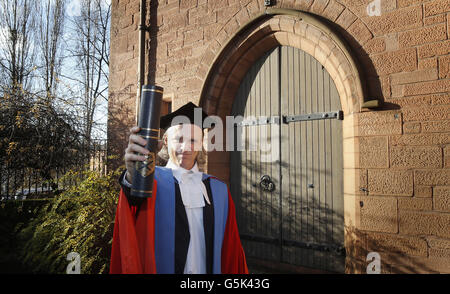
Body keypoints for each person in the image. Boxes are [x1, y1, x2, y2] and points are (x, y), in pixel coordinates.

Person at [109, 102, 248, 274]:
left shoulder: (218, 190)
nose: (186, 148)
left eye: (193, 140)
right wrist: (133, 177)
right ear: (166, 140)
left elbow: (231, 251)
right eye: (179, 139)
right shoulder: (152, 182)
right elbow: (132, 209)